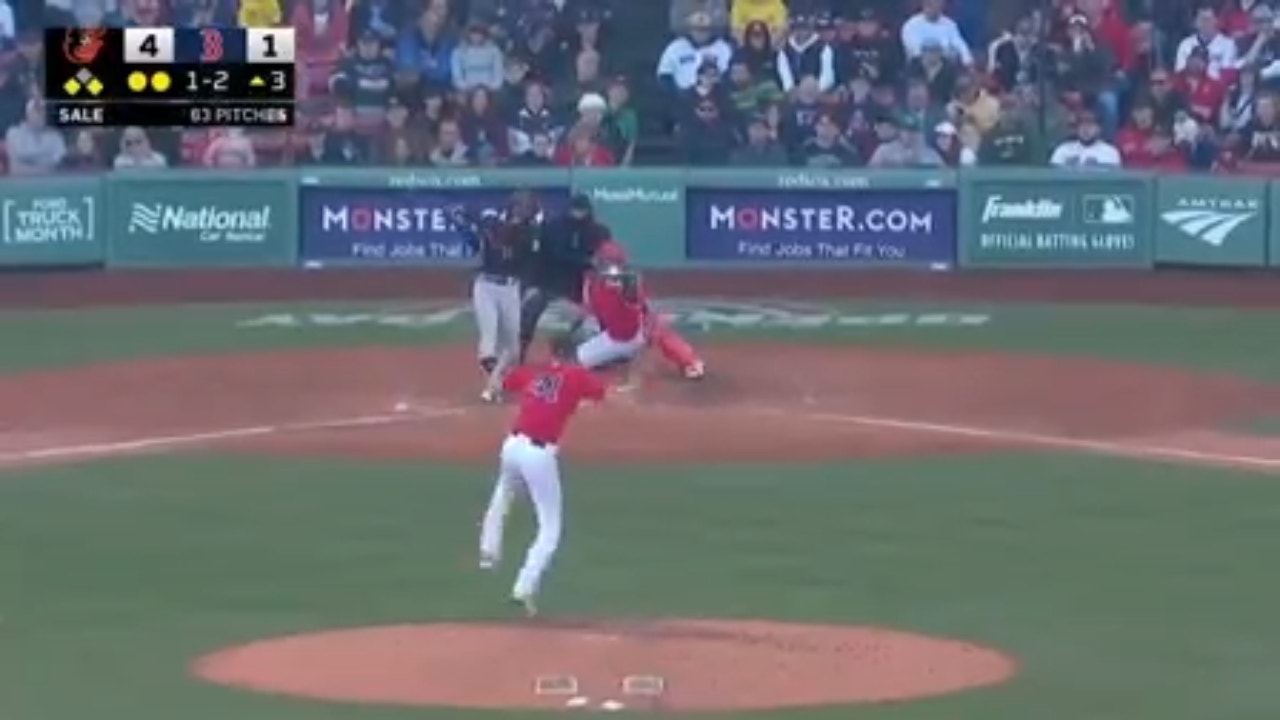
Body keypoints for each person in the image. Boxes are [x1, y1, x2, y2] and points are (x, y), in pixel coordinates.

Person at [478, 334, 608, 617]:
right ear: (574, 353)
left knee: (503, 492)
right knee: (550, 527)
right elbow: (600, 392)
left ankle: (488, 552)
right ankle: (523, 587)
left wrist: (502, 365)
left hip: (512, 445)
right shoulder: (576, 374)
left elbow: (503, 383)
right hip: (538, 453)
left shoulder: (536, 372)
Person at [449, 189, 538, 403]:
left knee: (513, 349)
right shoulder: (493, 224)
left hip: (510, 289)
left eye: (524, 211)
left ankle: (496, 384)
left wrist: (479, 224)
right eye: (518, 209)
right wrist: (460, 220)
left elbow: (516, 248)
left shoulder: (527, 234)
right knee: (488, 344)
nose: (520, 214)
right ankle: (495, 385)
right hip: (486, 287)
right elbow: (474, 233)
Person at [517, 193, 609, 364]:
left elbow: (605, 255)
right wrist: (586, 261)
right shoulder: (554, 228)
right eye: (576, 210)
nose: (578, 214)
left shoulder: (597, 231)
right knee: (529, 313)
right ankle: (521, 350)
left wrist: (595, 265)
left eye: (582, 211)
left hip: (577, 285)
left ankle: (585, 354)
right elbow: (553, 254)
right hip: (549, 280)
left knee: (580, 322)